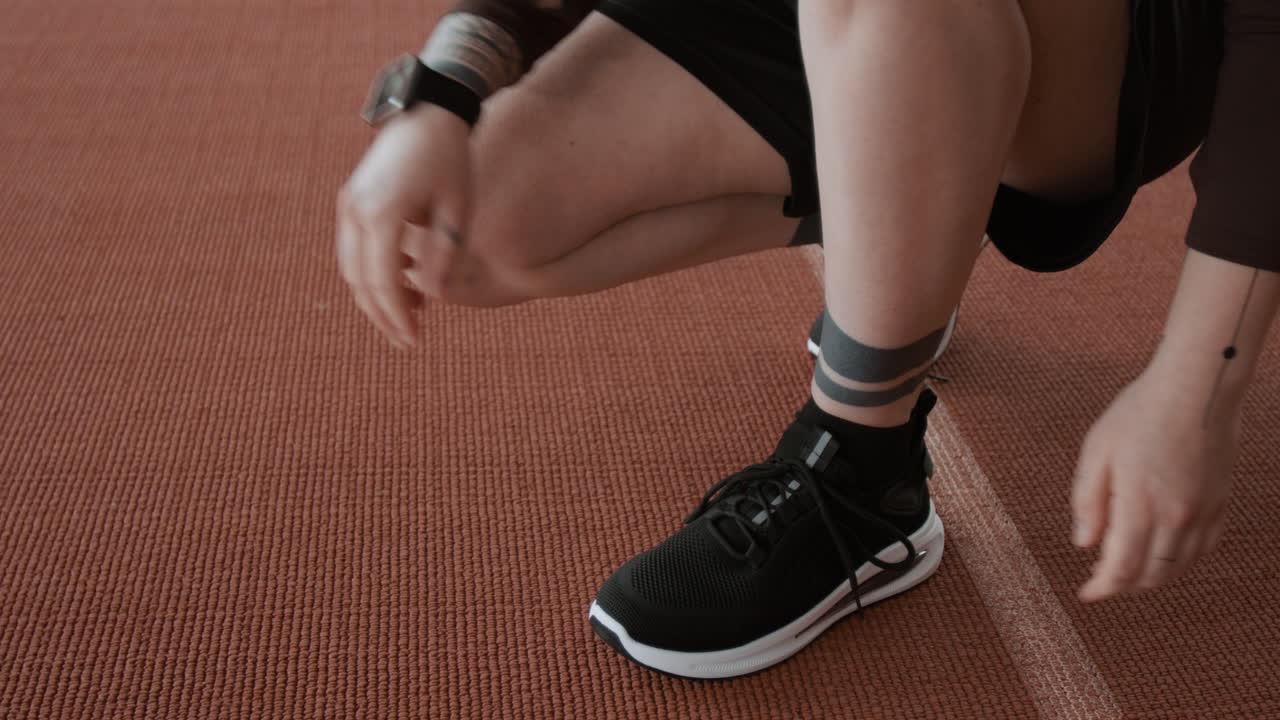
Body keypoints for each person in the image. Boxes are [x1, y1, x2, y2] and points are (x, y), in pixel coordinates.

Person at [336, 0, 1279, 679]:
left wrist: (1199, 383)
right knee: (467, 224)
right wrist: (444, 93)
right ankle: (909, 195)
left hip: (1102, 43)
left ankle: (863, 475)